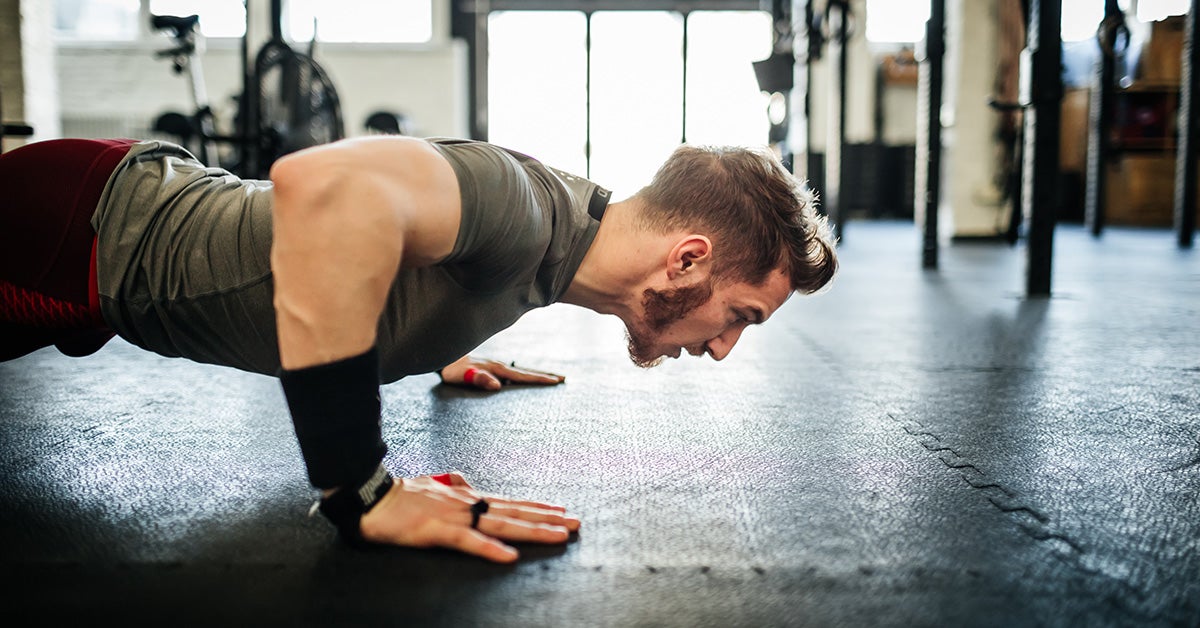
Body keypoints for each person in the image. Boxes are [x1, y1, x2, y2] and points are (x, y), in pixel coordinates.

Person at [0, 134, 838, 563]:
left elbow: (417, 251)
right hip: (75, 233)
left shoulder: (556, 248)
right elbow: (320, 187)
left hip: (104, 251)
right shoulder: (524, 212)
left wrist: (434, 346)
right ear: (688, 258)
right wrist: (358, 488)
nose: (726, 348)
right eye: (742, 316)